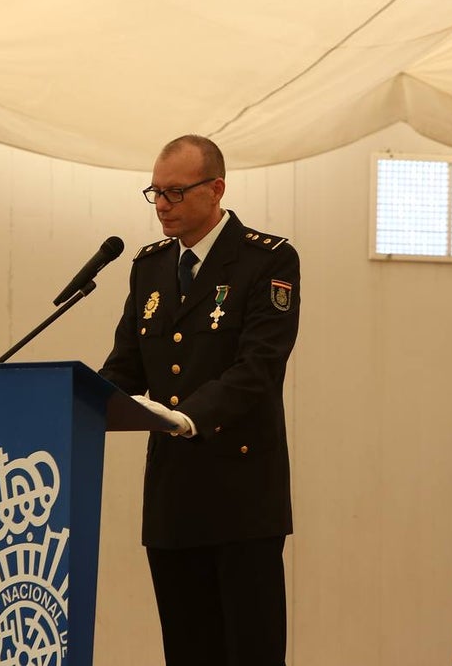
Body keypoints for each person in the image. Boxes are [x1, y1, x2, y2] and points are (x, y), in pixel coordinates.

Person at [99, 134, 301, 666]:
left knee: (248, 651)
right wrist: (77, 399)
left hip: (241, 496)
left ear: (216, 189)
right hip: (172, 496)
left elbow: (259, 367)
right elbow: (127, 365)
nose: (162, 205)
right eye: (155, 193)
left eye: (175, 192)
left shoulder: (267, 259)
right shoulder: (149, 266)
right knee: (187, 651)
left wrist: (189, 417)